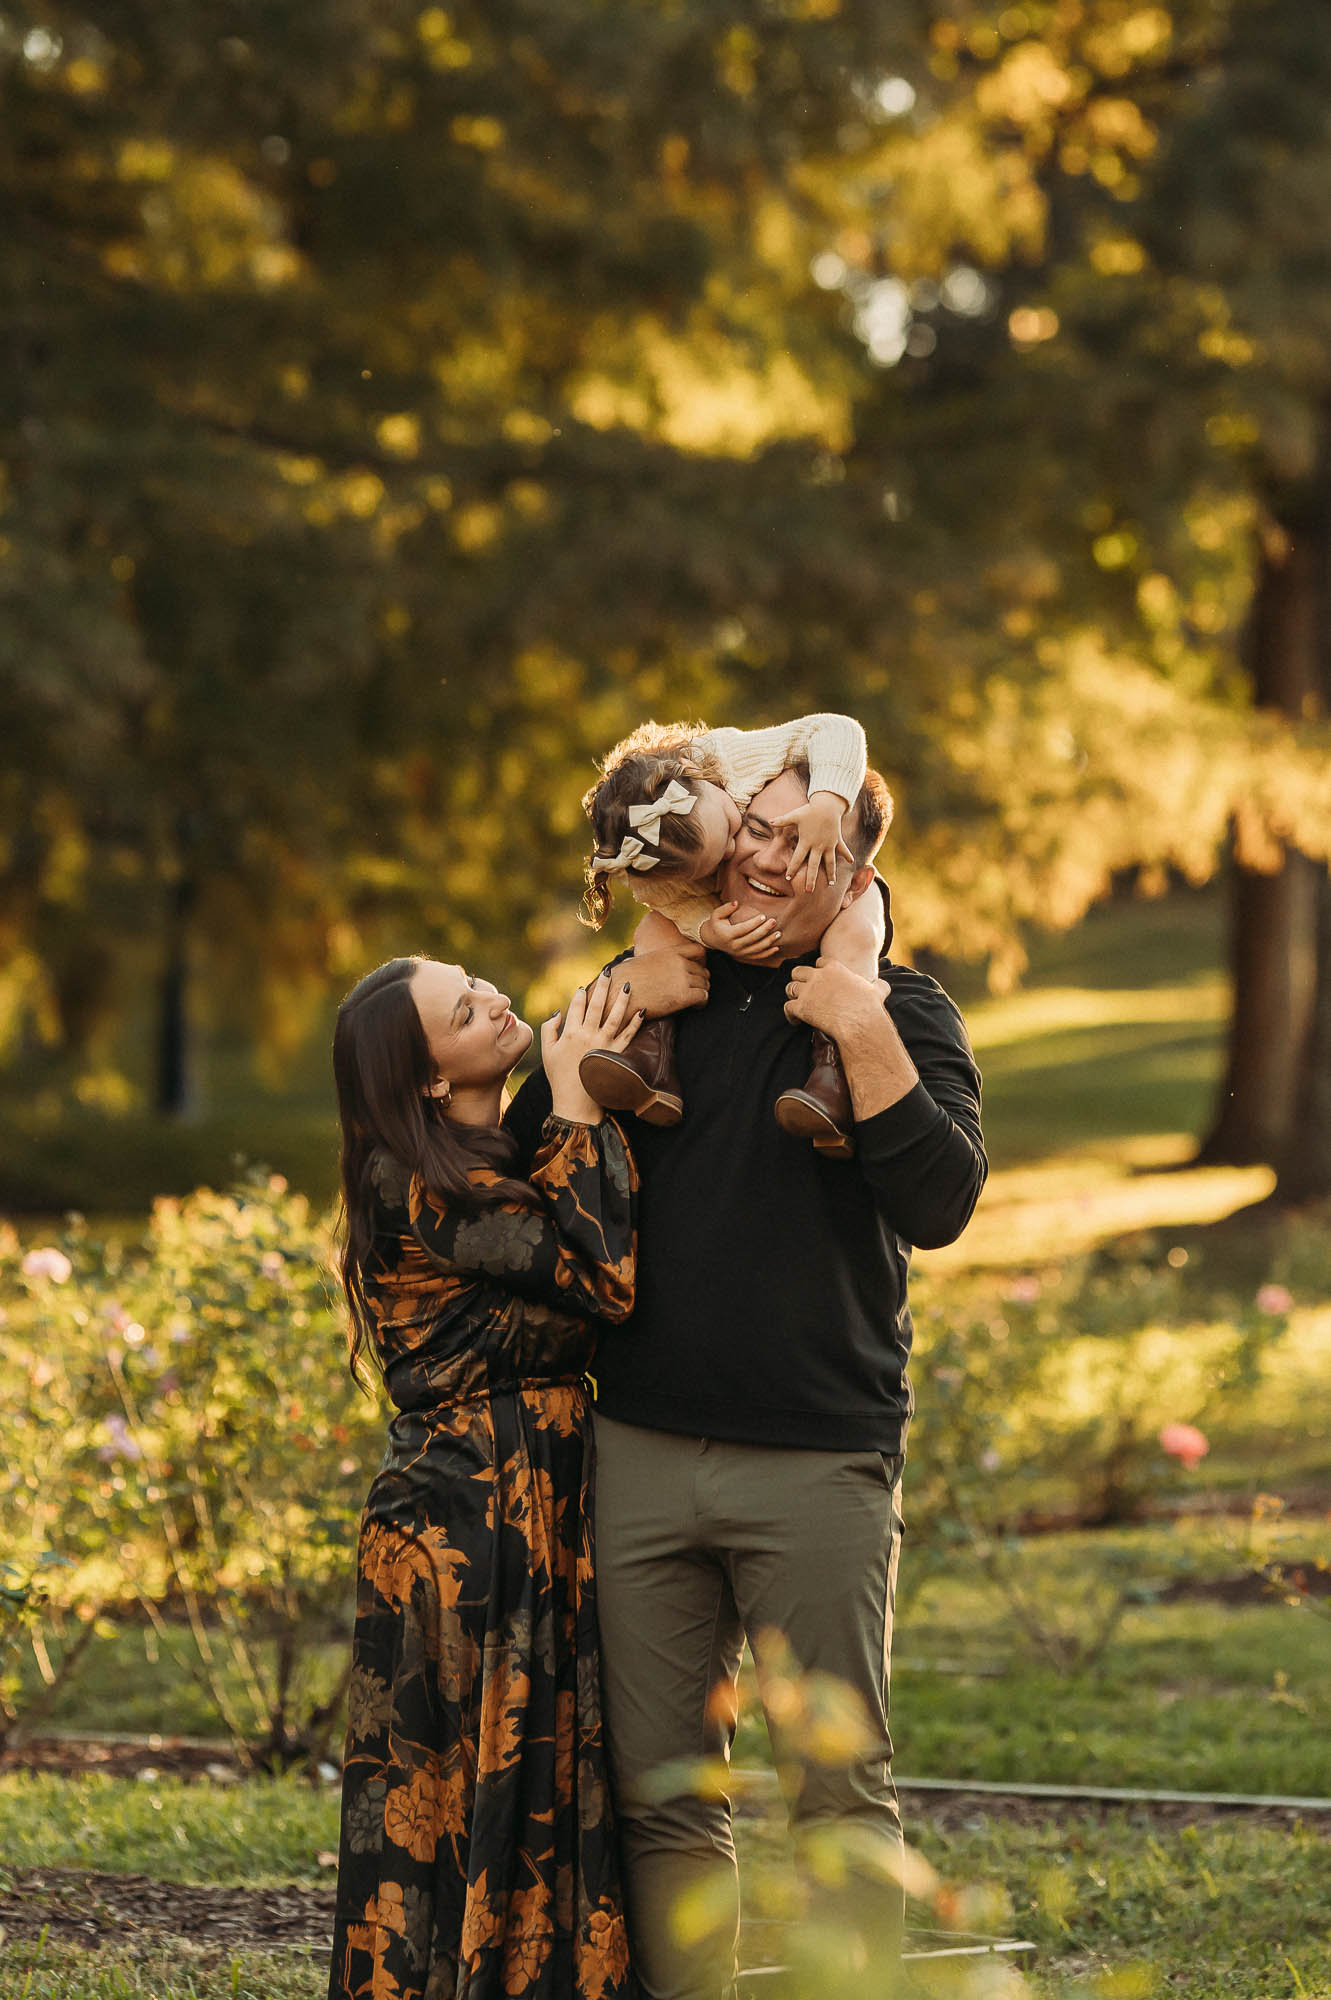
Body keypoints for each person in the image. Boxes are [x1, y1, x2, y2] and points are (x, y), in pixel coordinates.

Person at [505, 764, 987, 2000]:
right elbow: (519, 1157)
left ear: (857, 871)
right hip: (642, 1450)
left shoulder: (905, 1009)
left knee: (836, 1789)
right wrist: (617, 990)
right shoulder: (664, 993)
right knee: (661, 1789)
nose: (768, 860)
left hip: (816, 1456)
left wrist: (855, 1017)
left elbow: (939, 1202)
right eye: (758, 830)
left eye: (803, 845)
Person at [327, 957, 646, 2000]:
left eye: (476, 981)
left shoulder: (476, 1144)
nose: (497, 1000)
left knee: (532, 1765)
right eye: (465, 1011)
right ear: (426, 1076)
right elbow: (599, 1276)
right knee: (464, 1781)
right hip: (464, 1516)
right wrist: (570, 1103)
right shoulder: (411, 1175)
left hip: (522, 1494)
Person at [578, 715, 885, 1152]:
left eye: (736, 830)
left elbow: (839, 730)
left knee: (855, 934)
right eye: (752, 833)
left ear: (703, 782)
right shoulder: (662, 855)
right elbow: (669, 902)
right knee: (654, 932)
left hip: (844, 908)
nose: (740, 855)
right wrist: (704, 930)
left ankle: (832, 1068)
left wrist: (827, 804)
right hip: (697, 923)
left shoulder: (731, 761)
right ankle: (650, 1054)